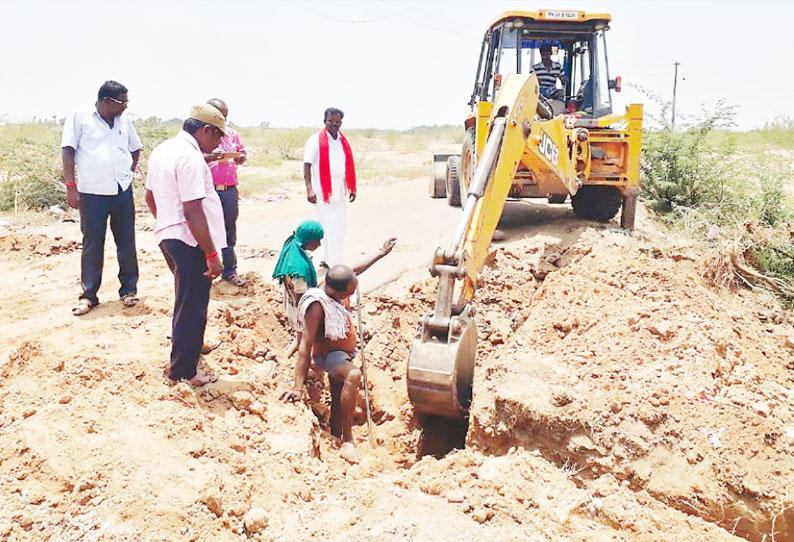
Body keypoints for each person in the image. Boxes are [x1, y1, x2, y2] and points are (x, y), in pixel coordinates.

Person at [144, 104, 227, 386]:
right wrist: (211, 253)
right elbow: (193, 211)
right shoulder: (190, 159)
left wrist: (167, 224)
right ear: (205, 130)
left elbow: (150, 198)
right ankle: (184, 371)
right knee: (192, 305)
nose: (219, 143)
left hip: (169, 236)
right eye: (218, 136)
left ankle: (190, 350)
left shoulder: (163, 150)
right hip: (190, 241)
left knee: (186, 300)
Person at [61, 80, 143, 316]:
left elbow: (135, 148)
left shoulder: (124, 121)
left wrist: (129, 172)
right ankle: (88, 295)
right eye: (122, 102)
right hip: (92, 193)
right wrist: (71, 186)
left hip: (121, 191)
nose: (126, 106)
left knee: (126, 242)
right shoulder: (80, 117)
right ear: (106, 101)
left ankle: (128, 290)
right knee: (92, 244)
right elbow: (68, 150)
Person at [272, 220, 395, 358]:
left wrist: (381, 253)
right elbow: (300, 298)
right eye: (317, 241)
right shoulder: (299, 271)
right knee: (305, 340)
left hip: (298, 301)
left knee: (301, 335)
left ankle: (287, 355)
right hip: (299, 306)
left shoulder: (294, 246)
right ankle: (299, 363)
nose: (319, 244)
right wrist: (314, 311)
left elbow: (352, 270)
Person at [280, 265, 363, 464]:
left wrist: (381, 253)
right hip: (329, 355)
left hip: (343, 353)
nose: (354, 292)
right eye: (351, 290)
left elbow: (354, 270)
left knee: (338, 395)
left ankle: (336, 431)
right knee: (352, 376)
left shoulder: (332, 284)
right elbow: (305, 346)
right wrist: (297, 388)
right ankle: (348, 440)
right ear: (339, 291)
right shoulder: (317, 307)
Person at [303, 107, 356, 268]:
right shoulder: (315, 140)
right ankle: (335, 264)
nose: (334, 125)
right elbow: (307, 165)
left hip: (339, 190)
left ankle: (328, 259)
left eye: (337, 122)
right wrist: (309, 189)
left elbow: (346, 166)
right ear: (324, 121)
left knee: (338, 228)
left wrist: (352, 188)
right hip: (322, 192)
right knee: (330, 227)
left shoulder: (342, 141)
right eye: (330, 122)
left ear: (341, 122)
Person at [205, 98, 248, 287]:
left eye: (225, 116)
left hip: (229, 190)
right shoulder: (201, 137)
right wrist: (210, 158)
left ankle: (230, 271)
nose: (223, 119)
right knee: (205, 231)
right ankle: (205, 270)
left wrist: (240, 157)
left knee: (229, 231)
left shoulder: (231, 134)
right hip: (208, 191)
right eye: (219, 115)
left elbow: (241, 150)